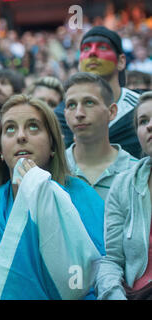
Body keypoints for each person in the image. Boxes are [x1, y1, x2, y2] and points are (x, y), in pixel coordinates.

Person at [0, 94, 105, 300]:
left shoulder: (81, 196)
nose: (21, 136)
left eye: (33, 127)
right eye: (10, 128)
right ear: (0, 150)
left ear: (53, 146)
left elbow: (96, 276)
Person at [95, 91, 152, 300]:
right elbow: (111, 260)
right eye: (142, 121)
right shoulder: (123, 185)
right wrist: (113, 295)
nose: (149, 126)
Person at [54, 26, 141, 158]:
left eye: (102, 47)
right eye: (86, 48)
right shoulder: (60, 116)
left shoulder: (142, 107)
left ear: (121, 61)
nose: (92, 53)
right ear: (79, 63)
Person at [64, 72, 138, 200]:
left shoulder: (137, 173)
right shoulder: (52, 169)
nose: (79, 113)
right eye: (71, 105)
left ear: (112, 112)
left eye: (89, 103)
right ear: (65, 114)